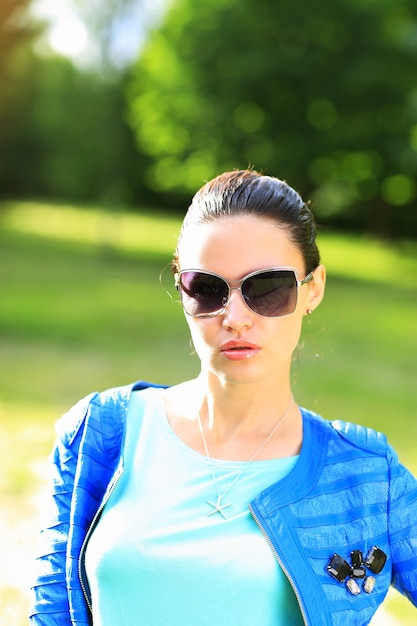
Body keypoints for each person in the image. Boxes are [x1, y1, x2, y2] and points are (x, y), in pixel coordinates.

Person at [30, 170, 417, 626]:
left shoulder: (366, 473)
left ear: (312, 289)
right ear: (182, 290)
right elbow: (51, 612)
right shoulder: (101, 433)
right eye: (208, 289)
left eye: (268, 289)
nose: (235, 318)